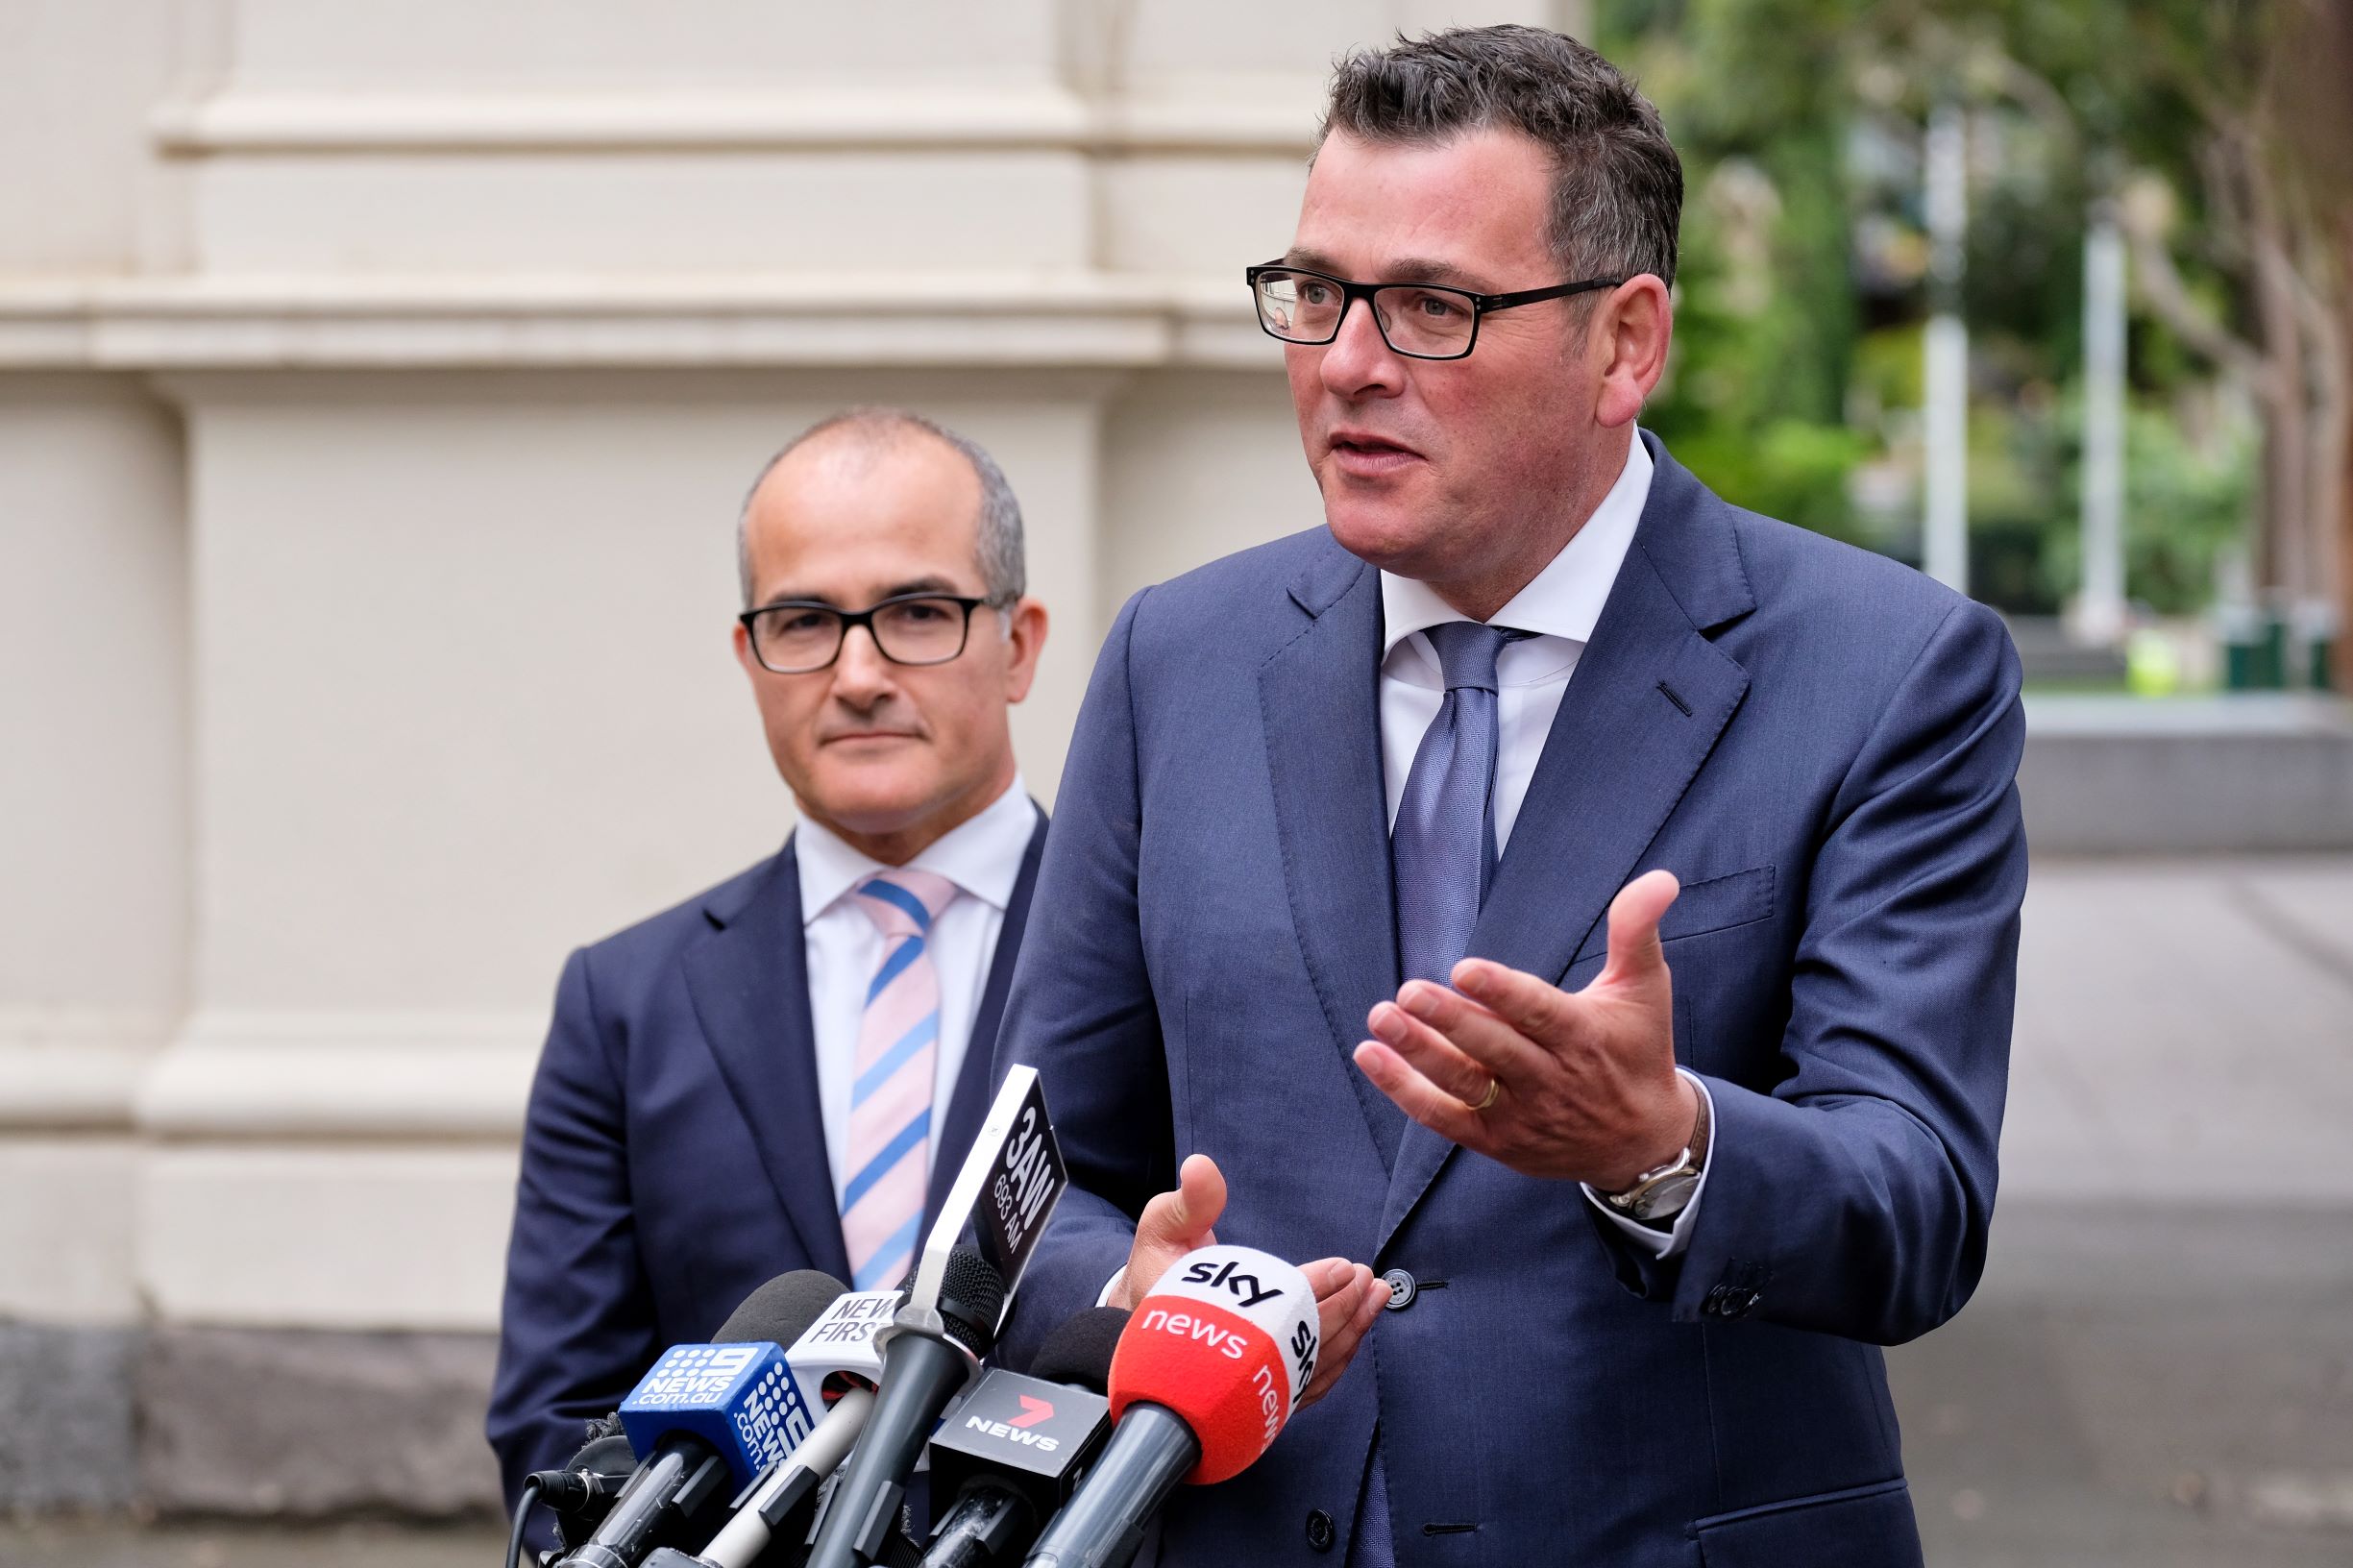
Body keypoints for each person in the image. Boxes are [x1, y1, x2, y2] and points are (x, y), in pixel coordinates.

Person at [997, 26, 2022, 1568]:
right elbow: (1038, 1187)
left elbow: (1915, 1202)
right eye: (1318, 294)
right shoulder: (1177, 659)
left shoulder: (1886, 670)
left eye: (1433, 309)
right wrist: (1122, 1299)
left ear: (1625, 342)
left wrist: (1661, 1142)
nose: (1346, 363)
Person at [487, 408, 1053, 1513]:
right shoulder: (627, 1003)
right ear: (748, 657)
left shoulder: (1153, 950)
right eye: (803, 622)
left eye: (918, 613)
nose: (856, 673)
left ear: (1018, 643)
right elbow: (559, 1420)